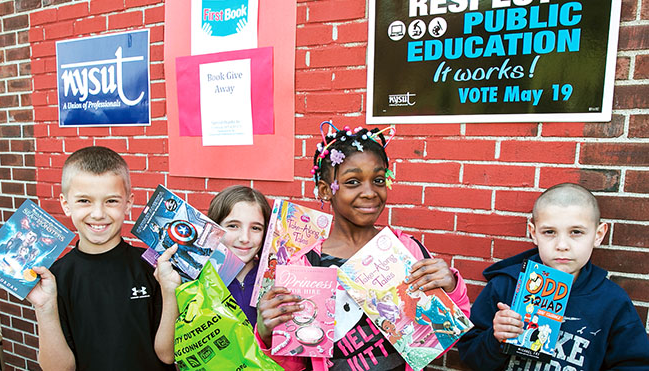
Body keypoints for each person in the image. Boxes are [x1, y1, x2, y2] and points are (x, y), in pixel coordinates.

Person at [255, 122, 471, 370]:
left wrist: (451, 288)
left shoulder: (406, 251)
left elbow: (445, 329)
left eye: (378, 180)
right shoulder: (303, 266)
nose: (370, 192)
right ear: (326, 190)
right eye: (353, 182)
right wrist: (267, 333)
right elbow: (291, 364)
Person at [457, 183, 649, 370]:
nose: (562, 245)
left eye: (576, 232)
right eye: (549, 232)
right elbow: (469, 357)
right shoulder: (505, 286)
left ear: (598, 235)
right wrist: (495, 338)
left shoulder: (612, 301)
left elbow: (635, 363)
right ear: (533, 233)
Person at [26, 146, 180, 371]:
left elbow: (169, 356)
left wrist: (170, 291)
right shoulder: (54, 279)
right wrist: (45, 308)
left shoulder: (154, 266)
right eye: (84, 201)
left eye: (111, 201)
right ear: (65, 204)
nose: (98, 213)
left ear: (128, 203)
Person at [207, 185, 271, 327]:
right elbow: (164, 349)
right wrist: (168, 289)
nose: (244, 238)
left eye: (255, 228)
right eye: (233, 226)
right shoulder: (196, 279)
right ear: (214, 227)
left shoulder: (275, 280)